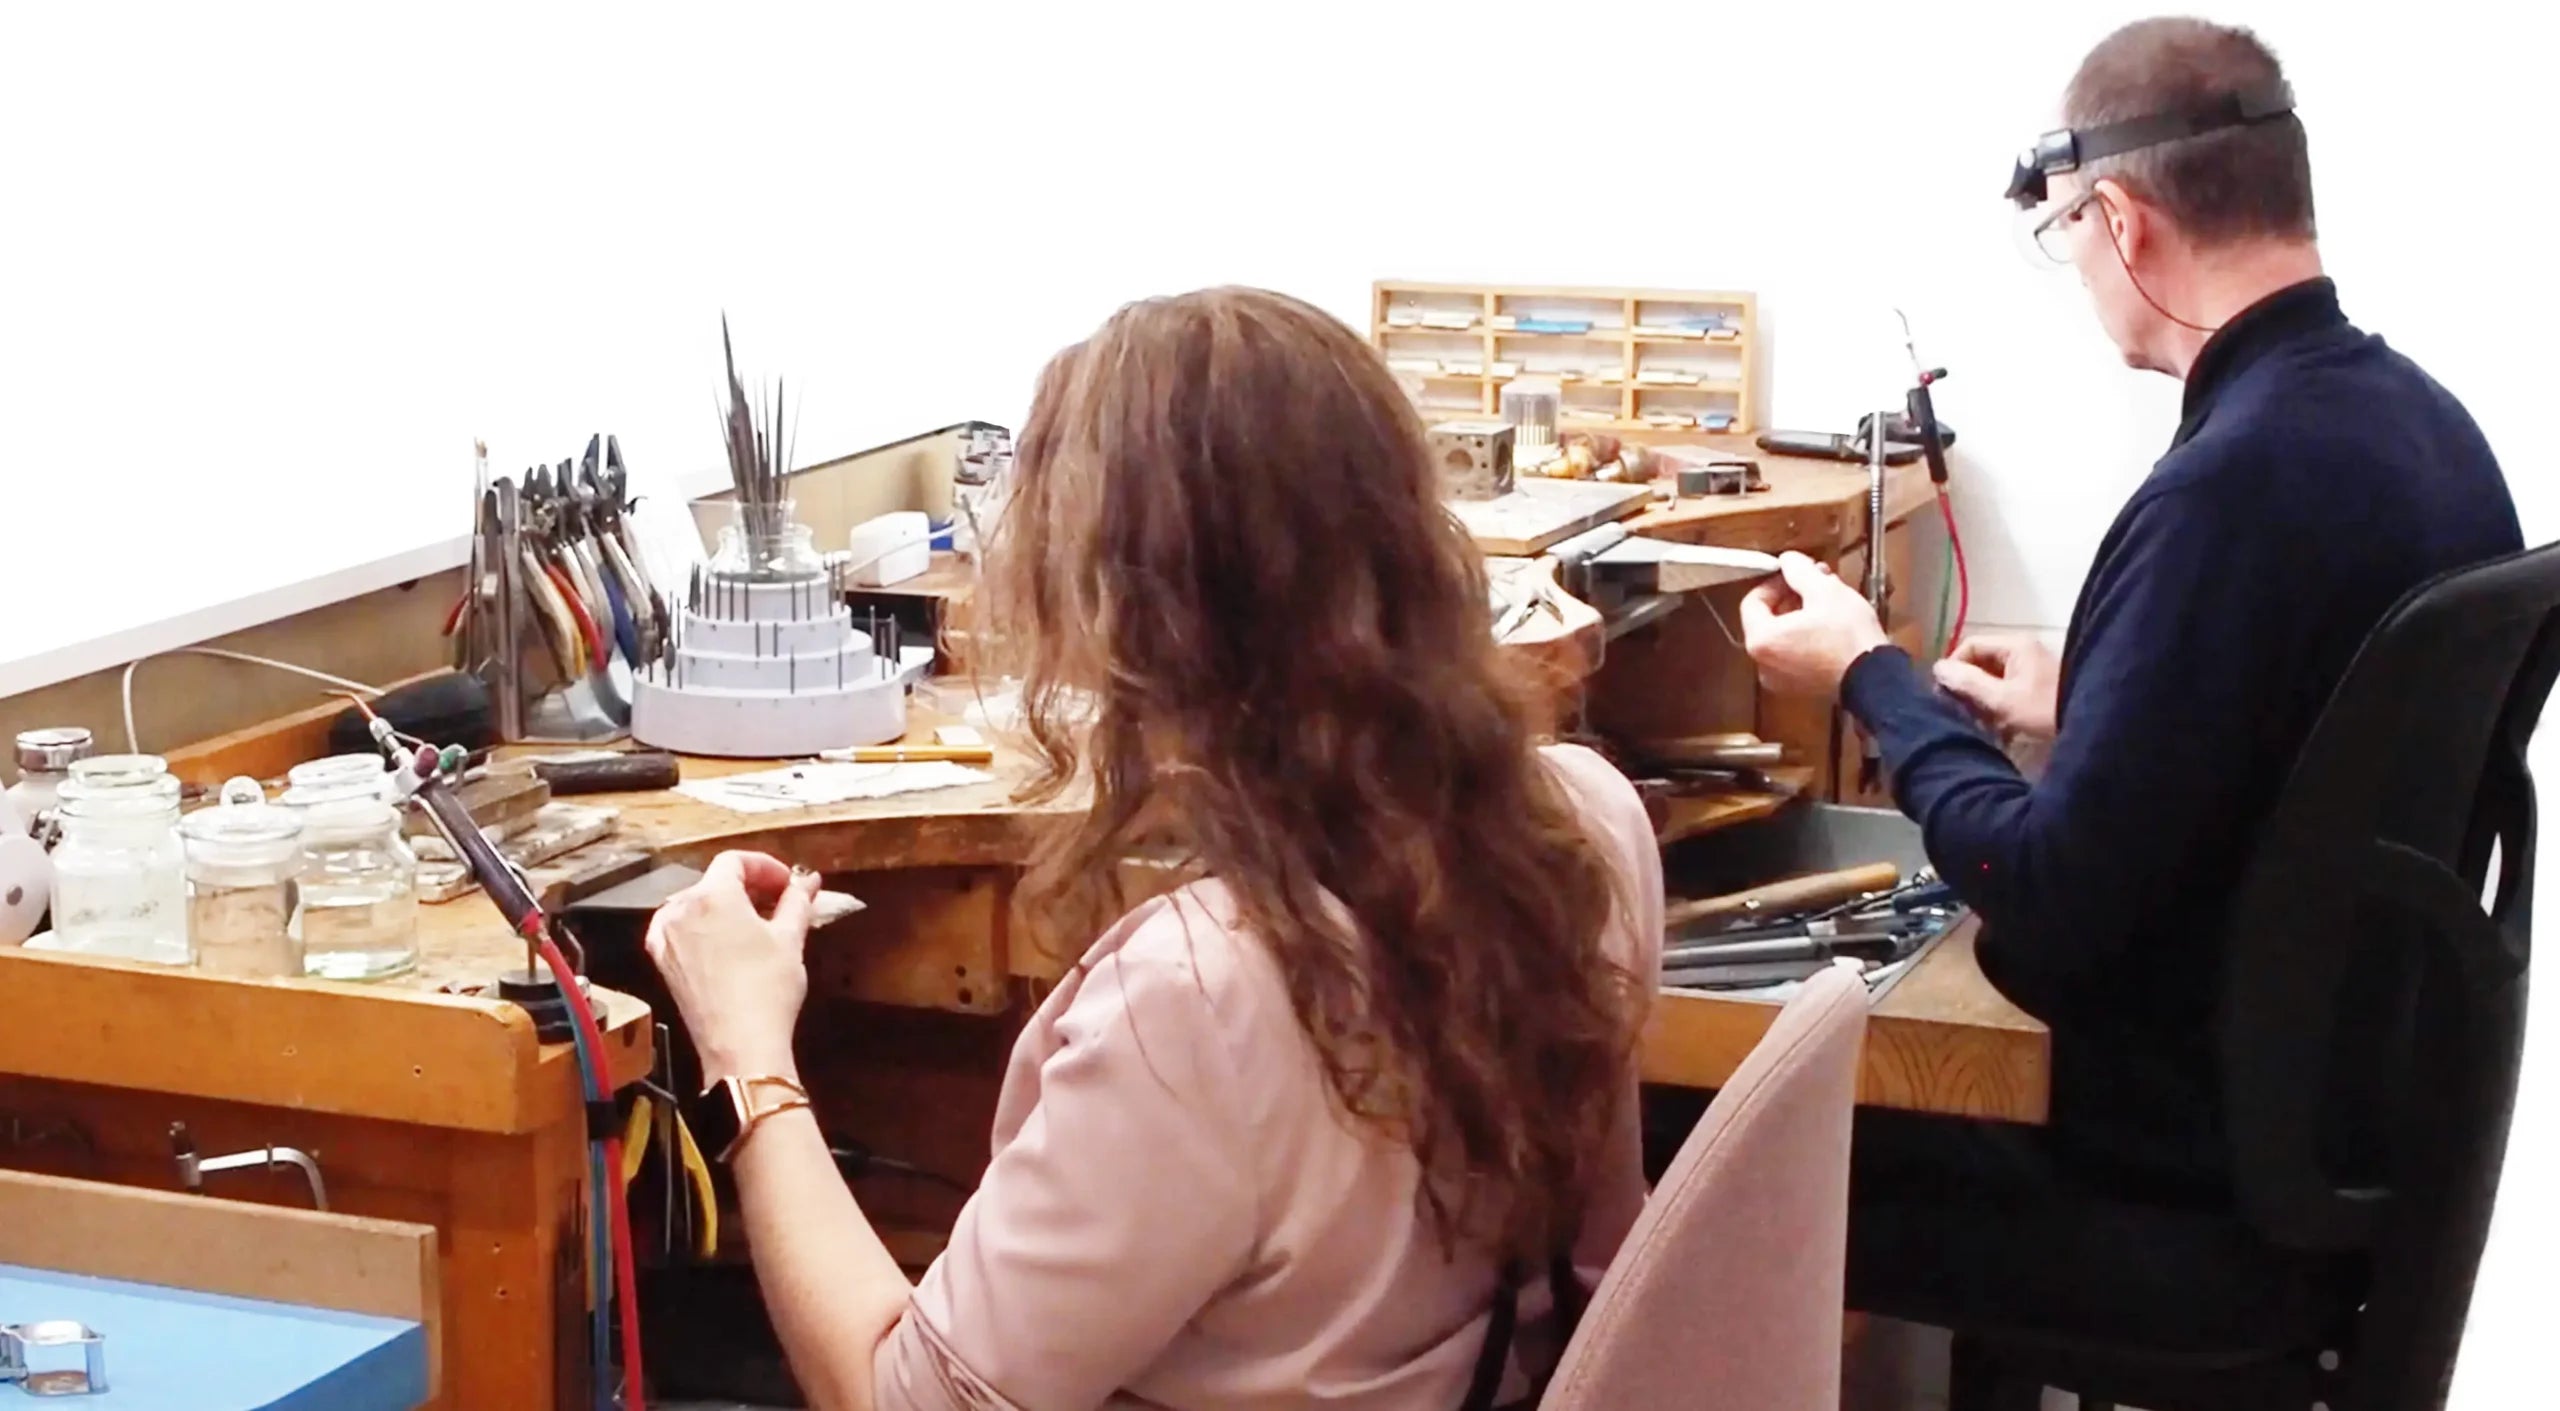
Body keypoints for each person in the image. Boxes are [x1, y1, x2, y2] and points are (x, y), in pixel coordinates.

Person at [643, 287, 1665, 1410]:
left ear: (1127, 615)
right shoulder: (1586, 820)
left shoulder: (1200, 996)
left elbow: (901, 1400)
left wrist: (748, 1053)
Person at [1737, 16, 2522, 1325]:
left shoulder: (2230, 488)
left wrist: (1868, 671)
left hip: (2176, 1194)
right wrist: (2092, 689)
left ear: (2121, 220)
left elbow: (2041, 890)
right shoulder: (2424, 431)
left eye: (2069, 235)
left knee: (1685, 1130)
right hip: (2325, 1151)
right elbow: (2309, 739)